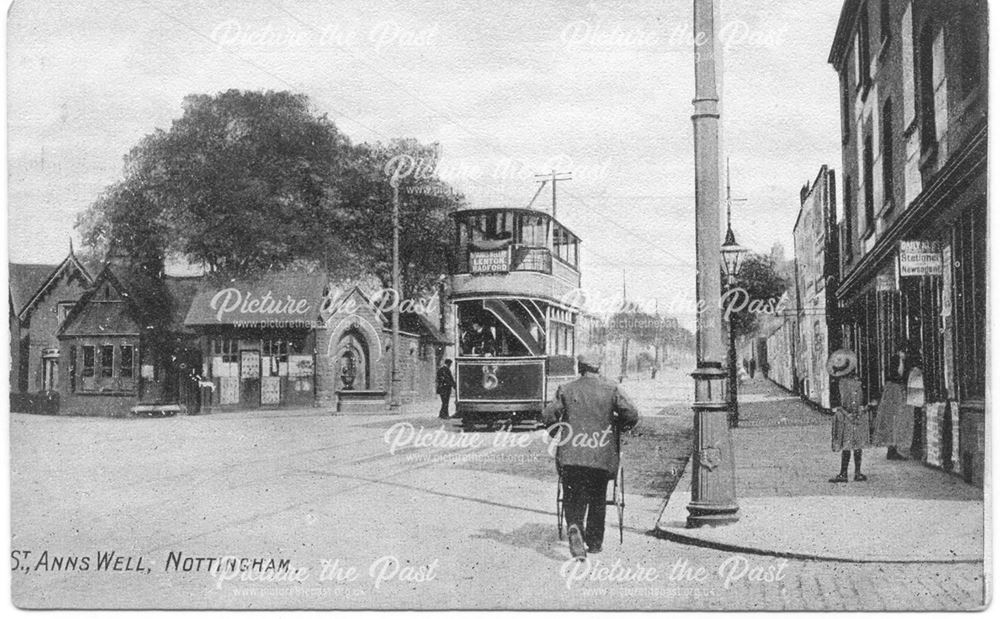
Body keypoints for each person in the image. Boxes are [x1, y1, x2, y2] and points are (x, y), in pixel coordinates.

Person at [542, 351, 640, 561]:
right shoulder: (611, 389)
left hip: (571, 457)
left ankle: (575, 528)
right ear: (598, 368)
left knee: (572, 496)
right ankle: (594, 543)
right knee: (597, 498)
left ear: (580, 368)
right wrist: (618, 426)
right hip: (601, 457)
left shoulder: (566, 389)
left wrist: (554, 431)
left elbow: (548, 415)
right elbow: (632, 414)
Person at [827, 349, 871, 482]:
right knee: (857, 444)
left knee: (846, 445)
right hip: (859, 416)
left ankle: (843, 473)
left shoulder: (836, 383)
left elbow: (835, 404)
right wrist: (861, 411)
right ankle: (857, 473)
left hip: (844, 417)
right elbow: (866, 400)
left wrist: (848, 414)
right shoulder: (860, 381)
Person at [872, 344, 916, 460]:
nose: (905, 355)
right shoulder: (895, 360)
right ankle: (893, 449)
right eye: (903, 352)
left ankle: (896, 449)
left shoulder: (906, 361)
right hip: (894, 393)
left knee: (898, 420)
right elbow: (899, 374)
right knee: (893, 420)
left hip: (897, 392)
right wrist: (900, 360)